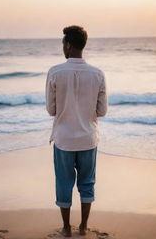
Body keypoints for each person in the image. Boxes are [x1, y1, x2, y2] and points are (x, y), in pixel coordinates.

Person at [45, 25, 108, 237]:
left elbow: (51, 109)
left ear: (69, 45)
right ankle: (82, 227)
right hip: (88, 139)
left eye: (63, 43)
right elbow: (102, 111)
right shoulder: (98, 74)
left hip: (64, 139)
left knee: (63, 181)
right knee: (87, 182)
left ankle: (65, 228)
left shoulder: (54, 72)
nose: (63, 46)